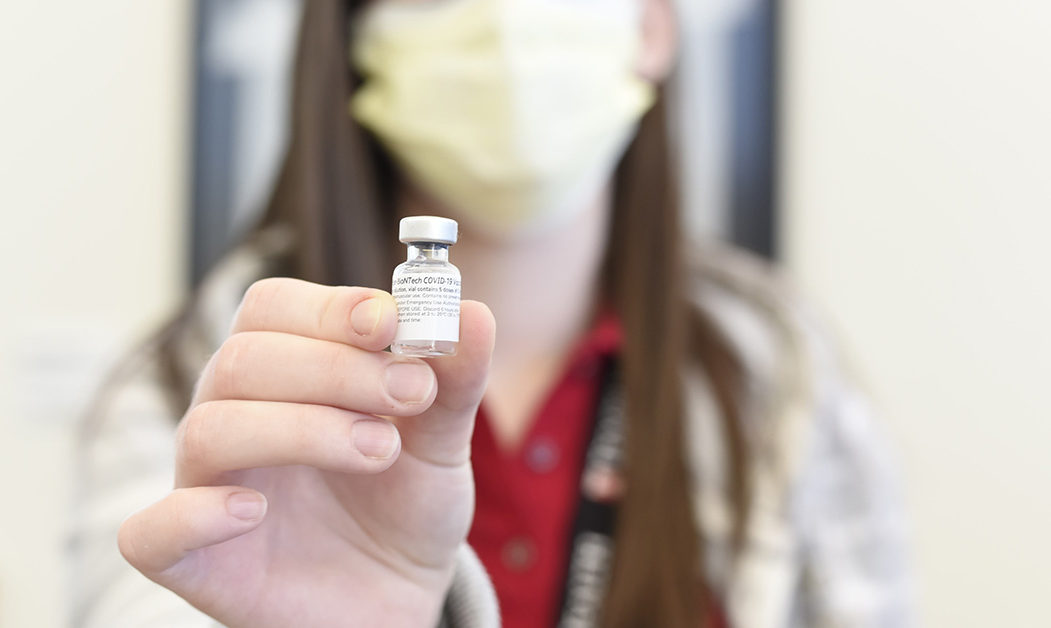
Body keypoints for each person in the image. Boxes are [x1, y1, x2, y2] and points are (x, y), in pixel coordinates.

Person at [70, 1, 913, 627]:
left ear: (652, 27)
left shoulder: (783, 385)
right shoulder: (194, 394)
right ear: (355, 38)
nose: (506, 34)